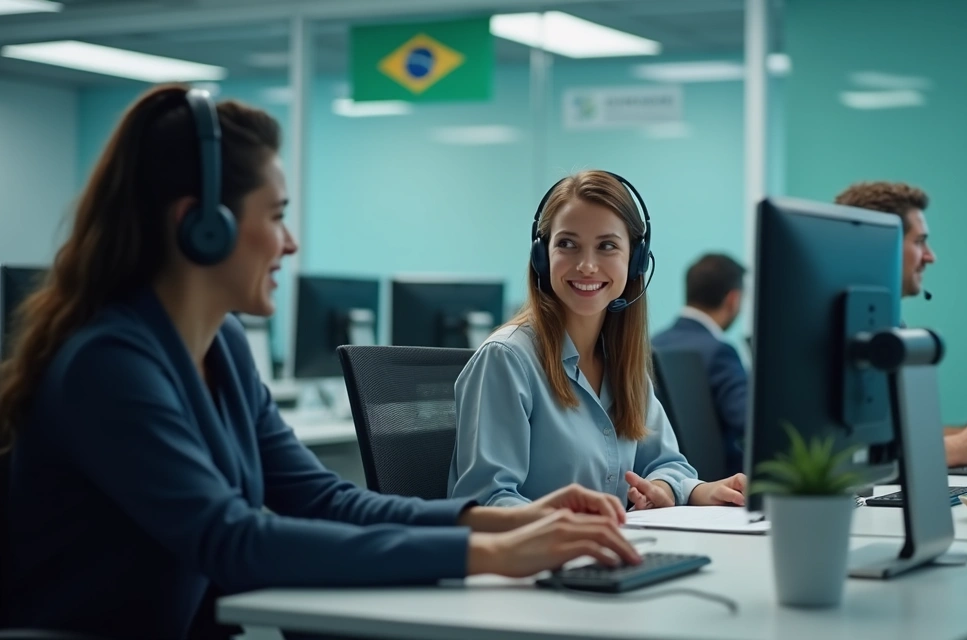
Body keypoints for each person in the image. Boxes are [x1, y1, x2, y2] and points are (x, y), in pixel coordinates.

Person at [0, 86, 639, 639]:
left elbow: (323, 498)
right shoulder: (107, 365)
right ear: (203, 228)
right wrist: (493, 553)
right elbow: (234, 540)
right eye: (276, 216)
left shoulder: (217, 346)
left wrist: (514, 518)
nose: (291, 242)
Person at [447, 170, 748, 510]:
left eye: (607, 246)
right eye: (567, 244)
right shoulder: (507, 360)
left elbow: (667, 464)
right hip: (540, 560)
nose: (587, 266)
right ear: (541, 255)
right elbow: (485, 501)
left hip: (615, 553)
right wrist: (570, 525)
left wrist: (675, 489)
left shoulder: (622, 359)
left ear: (634, 261)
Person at [834, 181, 967, 468]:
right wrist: (959, 447)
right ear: (883, 246)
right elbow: (848, 457)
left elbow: (888, 437)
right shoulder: (834, 331)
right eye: (919, 241)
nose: (930, 256)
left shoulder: (886, 324)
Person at [651, 253, 748, 475]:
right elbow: (748, 422)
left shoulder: (652, 345)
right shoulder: (720, 352)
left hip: (665, 478)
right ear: (733, 299)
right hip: (722, 486)